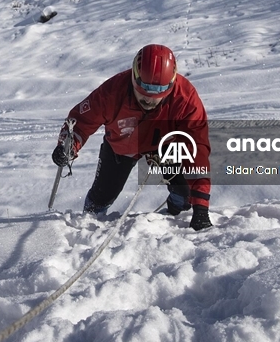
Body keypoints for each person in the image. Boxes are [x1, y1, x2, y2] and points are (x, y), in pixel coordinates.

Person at [52, 44, 214, 231]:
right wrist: (67, 146)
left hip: (165, 146)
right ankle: (86, 225)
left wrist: (201, 207)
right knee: (103, 196)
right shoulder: (112, 92)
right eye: (144, 91)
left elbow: (197, 148)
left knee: (185, 193)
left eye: (158, 95)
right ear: (134, 77)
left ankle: (176, 215)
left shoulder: (186, 99)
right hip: (121, 146)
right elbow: (80, 121)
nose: (149, 100)